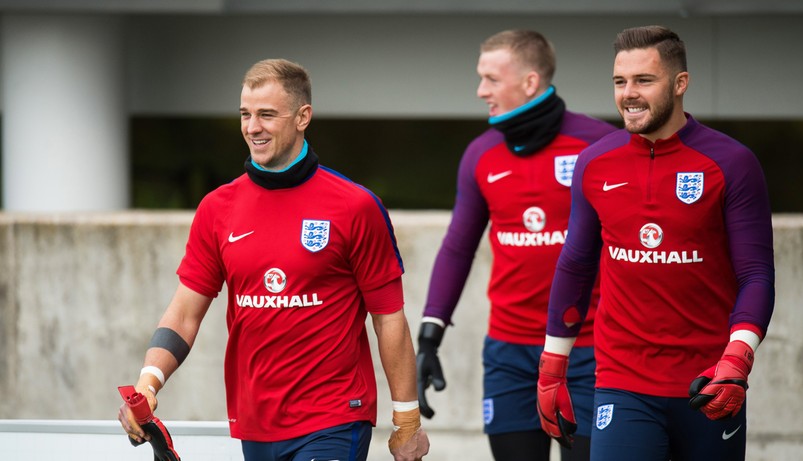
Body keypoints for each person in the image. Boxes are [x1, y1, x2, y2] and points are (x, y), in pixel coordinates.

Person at [118, 58, 430, 461]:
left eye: (267, 115)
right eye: (245, 115)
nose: (252, 127)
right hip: (256, 424)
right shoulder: (218, 208)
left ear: (303, 117)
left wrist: (407, 420)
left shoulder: (356, 206)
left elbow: (389, 318)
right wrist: (149, 382)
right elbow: (183, 314)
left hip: (333, 418)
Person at [536, 25, 775, 461]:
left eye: (644, 80)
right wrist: (552, 368)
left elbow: (756, 274)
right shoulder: (595, 163)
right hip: (622, 382)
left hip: (709, 382)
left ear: (680, 84)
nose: (629, 93)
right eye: (619, 81)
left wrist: (738, 359)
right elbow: (575, 267)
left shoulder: (732, 164)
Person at [416, 30, 616, 461]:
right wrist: (429, 337)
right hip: (509, 353)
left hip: (590, 349)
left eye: (490, 78)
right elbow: (457, 248)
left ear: (529, 82)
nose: (480, 90)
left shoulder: (599, 145)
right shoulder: (481, 154)